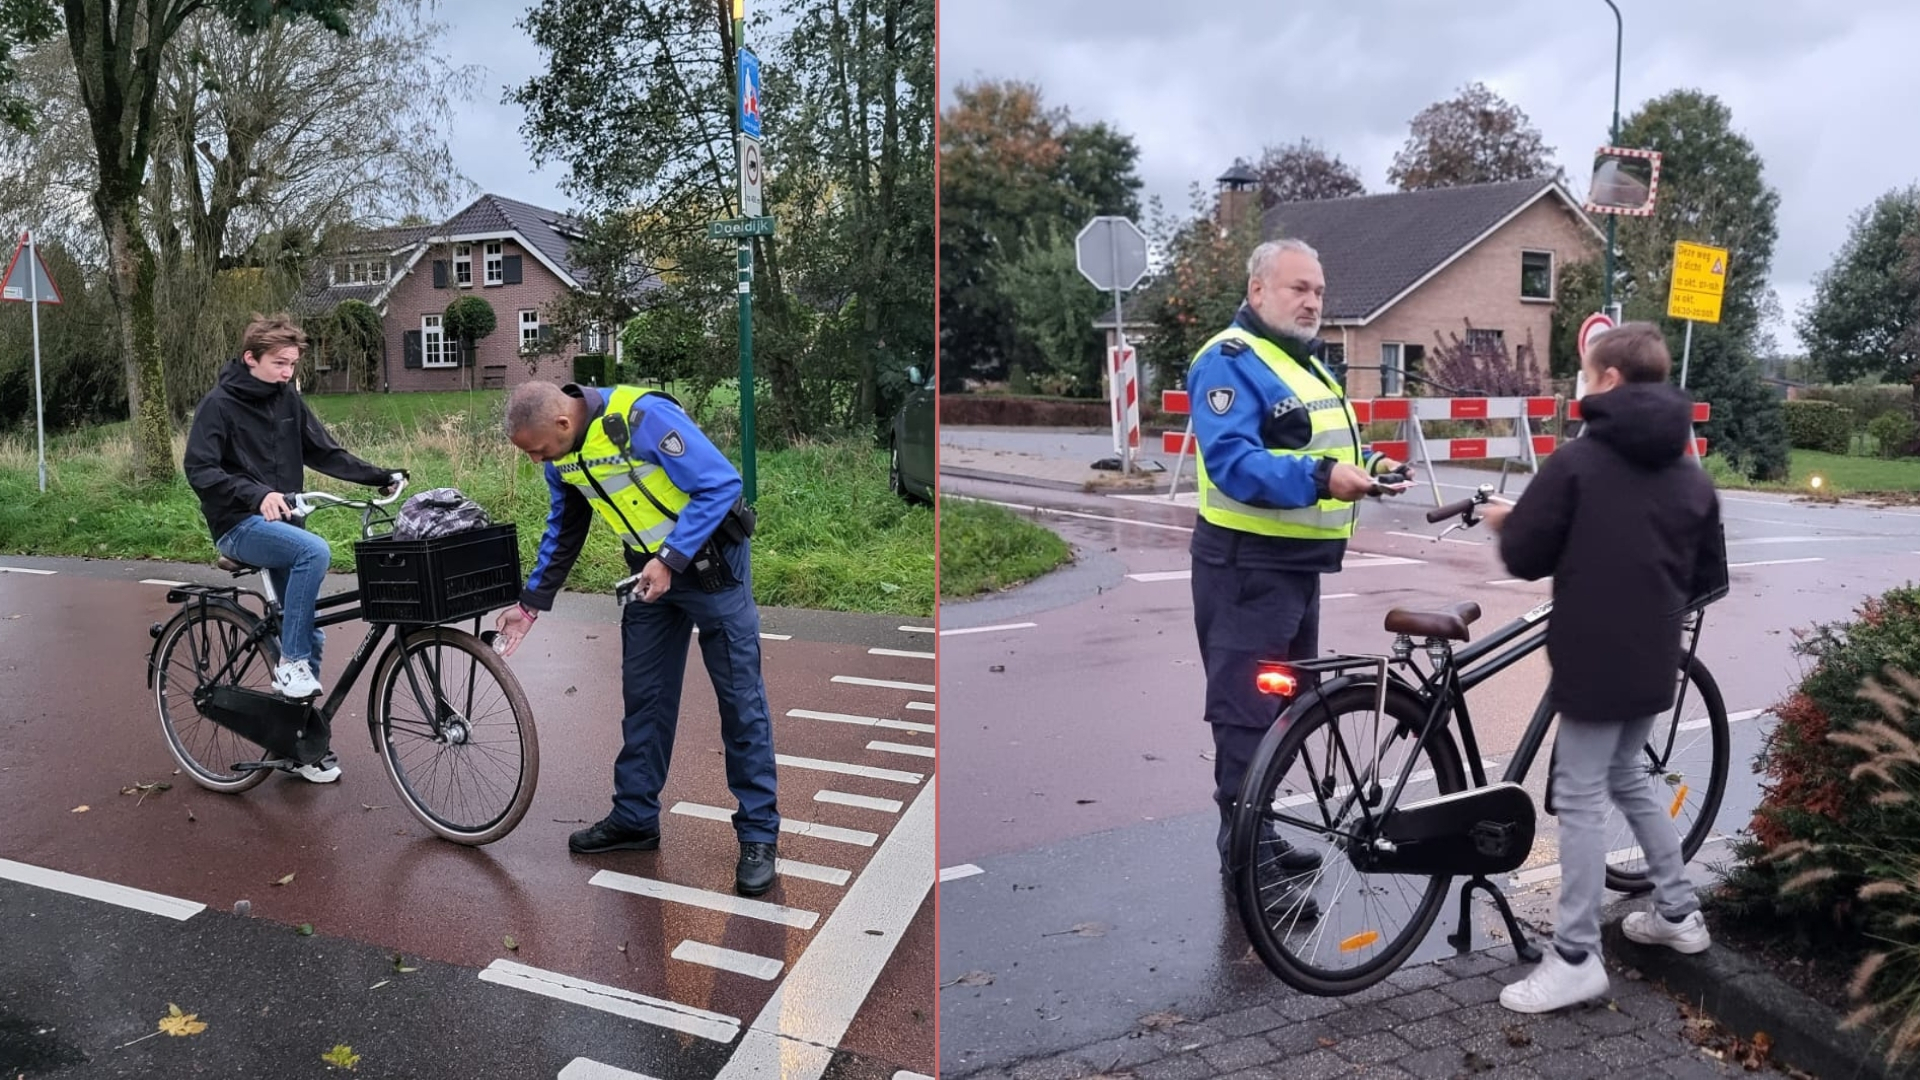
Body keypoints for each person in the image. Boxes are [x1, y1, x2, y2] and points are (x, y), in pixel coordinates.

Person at [1483, 322, 1724, 1013]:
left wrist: (1509, 521)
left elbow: (1526, 556)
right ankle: (1678, 911)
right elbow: (1707, 573)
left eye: (1587, 374)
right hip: (1656, 658)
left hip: (1591, 657)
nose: (1583, 385)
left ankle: (1576, 956)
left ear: (1610, 379)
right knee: (1628, 777)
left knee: (1583, 799)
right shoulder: (1691, 473)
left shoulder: (1577, 464)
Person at [493, 380, 780, 897]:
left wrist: (670, 559)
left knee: (741, 702)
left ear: (563, 422)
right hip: (649, 578)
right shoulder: (563, 458)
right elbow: (565, 528)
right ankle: (635, 817)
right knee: (644, 698)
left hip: (713, 567)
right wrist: (531, 604)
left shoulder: (641, 418)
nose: (537, 462)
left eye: (537, 450)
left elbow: (719, 484)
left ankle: (759, 835)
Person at [1186, 238, 1409, 902]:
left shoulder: (1300, 362)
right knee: (1246, 712)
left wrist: (1369, 473)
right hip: (1245, 569)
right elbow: (1233, 462)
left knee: (1282, 708)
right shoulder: (1229, 362)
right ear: (1258, 292)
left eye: (1318, 289)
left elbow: (1323, 446)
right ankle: (1243, 860)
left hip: (1295, 567)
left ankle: (1259, 833)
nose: (1313, 301)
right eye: (1298, 289)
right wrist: (1321, 477)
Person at [183, 313, 402, 784]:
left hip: (286, 525)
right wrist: (255, 494)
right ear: (251, 359)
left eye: (293, 364)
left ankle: (296, 741)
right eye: (280, 363)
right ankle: (290, 664)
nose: (288, 373)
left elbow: (324, 451)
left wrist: (379, 475)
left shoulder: (288, 401)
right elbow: (200, 471)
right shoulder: (218, 405)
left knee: (312, 631)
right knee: (314, 553)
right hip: (239, 524)